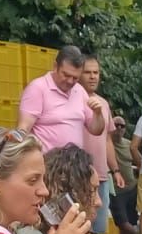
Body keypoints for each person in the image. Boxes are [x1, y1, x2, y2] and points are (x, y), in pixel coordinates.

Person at [17, 46, 109, 175]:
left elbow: (96, 130)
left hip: (75, 168)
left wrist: (98, 113)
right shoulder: (38, 88)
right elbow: (23, 128)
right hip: (48, 168)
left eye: (75, 78)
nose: (70, 81)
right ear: (55, 66)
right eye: (66, 75)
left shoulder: (79, 90)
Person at [77, 53, 128, 234]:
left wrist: (115, 171)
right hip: (77, 173)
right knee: (77, 225)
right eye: (87, 72)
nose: (93, 77)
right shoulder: (72, 100)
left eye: (96, 72)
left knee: (95, 229)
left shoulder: (104, 104)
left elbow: (107, 139)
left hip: (101, 175)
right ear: (78, 74)